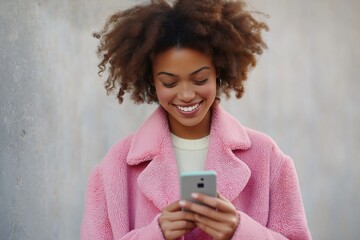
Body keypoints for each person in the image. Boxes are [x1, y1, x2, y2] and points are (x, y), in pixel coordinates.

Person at [81, 0, 312, 239]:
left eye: (200, 79)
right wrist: (155, 234)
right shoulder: (113, 170)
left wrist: (241, 231)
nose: (187, 95)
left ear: (218, 71)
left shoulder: (268, 158)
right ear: (151, 80)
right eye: (169, 82)